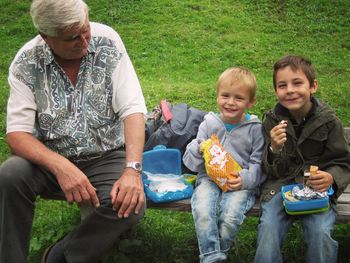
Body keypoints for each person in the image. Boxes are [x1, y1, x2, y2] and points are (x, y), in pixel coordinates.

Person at [0, 0, 147, 262]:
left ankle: (61, 256)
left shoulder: (108, 41)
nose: (84, 40)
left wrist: (132, 170)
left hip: (105, 152)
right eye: (72, 37)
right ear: (47, 37)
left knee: (130, 203)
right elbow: (16, 134)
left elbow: (133, 108)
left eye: (86, 29)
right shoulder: (25, 63)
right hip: (50, 157)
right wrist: (60, 166)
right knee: (10, 174)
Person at [254, 55, 350, 263]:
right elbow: (268, 169)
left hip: (316, 191)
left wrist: (331, 178)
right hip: (280, 187)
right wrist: (274, 149)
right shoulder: (272, 120)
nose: (290, 90)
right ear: (275, 91)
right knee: (268, 228)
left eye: (297, 83)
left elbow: (343, 162)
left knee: (320, 232)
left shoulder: (328, 121)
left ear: (313, 86)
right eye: (282, 85)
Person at [183, 67, 265, 263]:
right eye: (225, 96)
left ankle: (216, 253)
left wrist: (246, 179)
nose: (230, 102)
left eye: (238, 98)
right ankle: (212, 256)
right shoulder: (209, 124)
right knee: (203, 209)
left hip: (238, 181)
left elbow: (259, 164)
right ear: (217, 97)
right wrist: (198, 147)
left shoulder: (256, 129)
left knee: (230, 216)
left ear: (250, 102)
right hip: (209, 178)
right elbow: (190, 162)